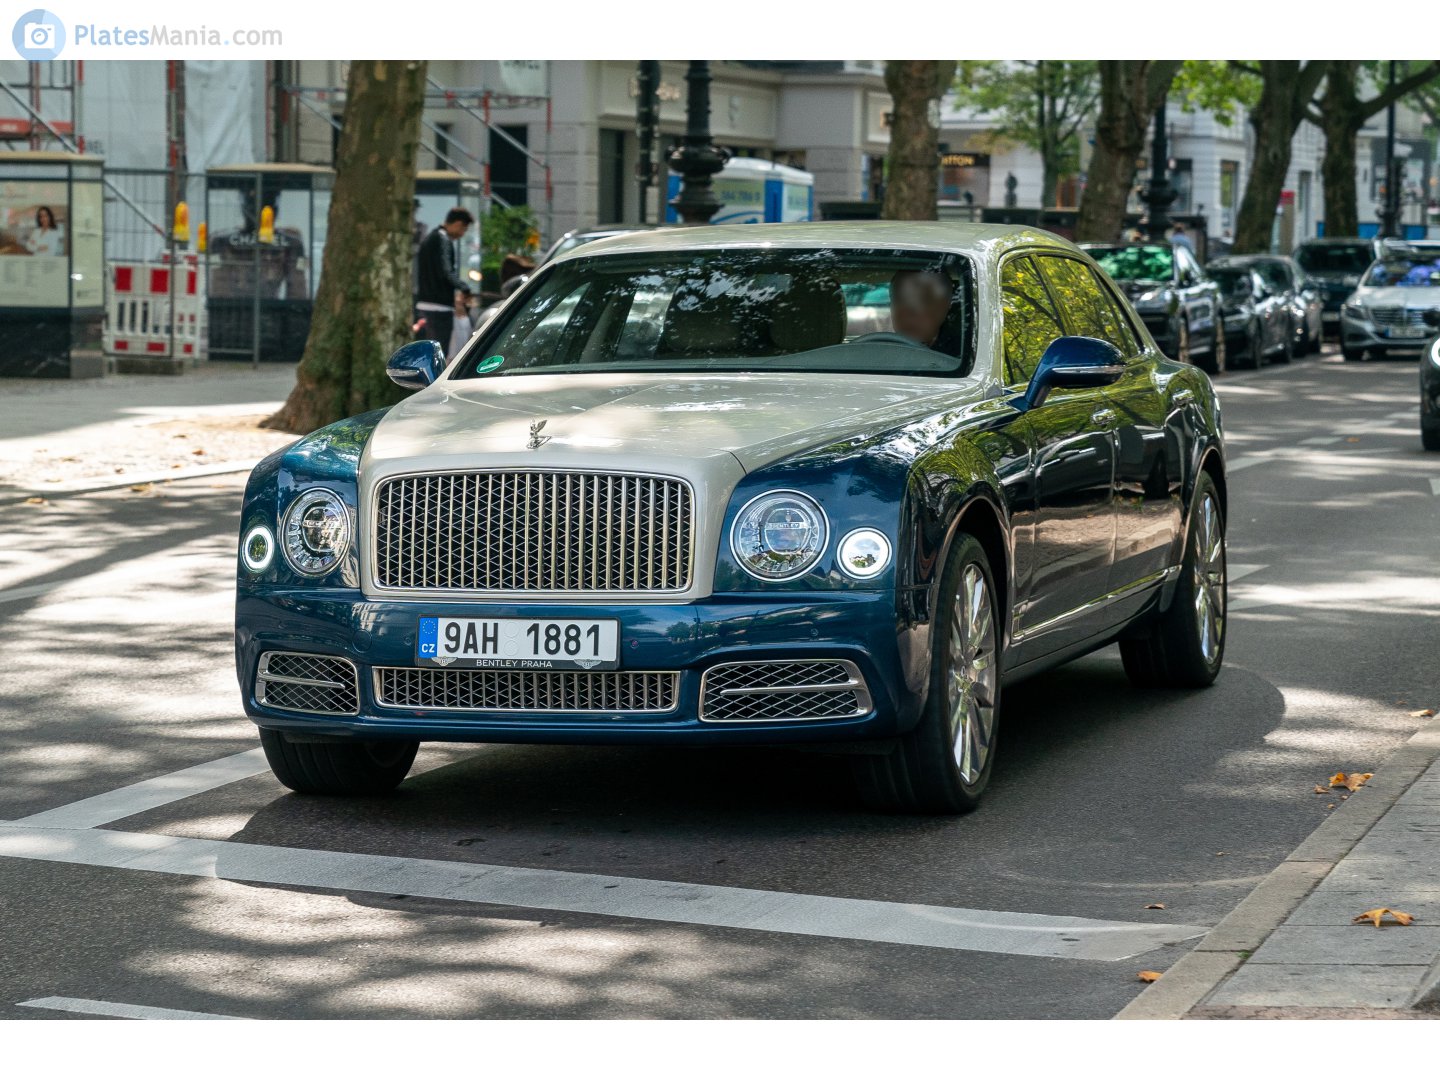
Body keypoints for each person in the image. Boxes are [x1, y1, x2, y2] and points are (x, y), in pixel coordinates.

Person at [414, 207, 475, 349]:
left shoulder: (429, 238)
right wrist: (464, 288)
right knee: (439, 353)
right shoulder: (444, 240)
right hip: (439, 309)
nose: (462, 234)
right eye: (464, 229)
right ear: (458, 224)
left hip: (423, 304)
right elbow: (447, 271)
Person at [890, 269, 955, 349]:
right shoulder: (878, 351)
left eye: (922, 302)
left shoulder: (964, 355)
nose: (909, 314)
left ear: (945, 305)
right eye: (900, 301)